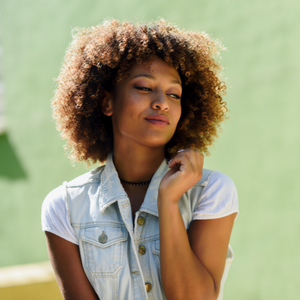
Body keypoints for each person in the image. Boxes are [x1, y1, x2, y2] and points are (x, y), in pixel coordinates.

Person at [42, 19, 239, 300]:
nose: (162, 102)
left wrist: (169, 201)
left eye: (174, 94)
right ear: (107, 102)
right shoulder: (64, 207)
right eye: (145, 88)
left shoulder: (212, 191)